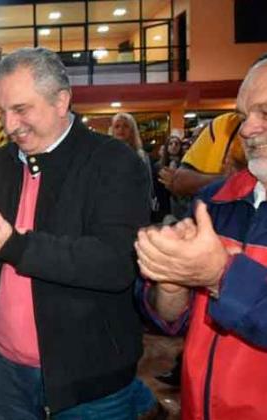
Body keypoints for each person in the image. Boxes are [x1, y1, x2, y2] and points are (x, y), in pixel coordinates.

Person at [0, 48, 150, 419]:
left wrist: (12, 246)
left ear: (61, 101)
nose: (9, 126)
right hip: (6, 371)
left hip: (90, 380)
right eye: (2, 111)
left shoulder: (113, 162)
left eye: (21, 110)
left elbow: (114, 263)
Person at [136, 57, 267, 420]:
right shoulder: (216, 201)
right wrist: (171, 283)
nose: (247, 129)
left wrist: (220, 275)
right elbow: (172, 321)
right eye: (243, 115)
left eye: (266, 113)